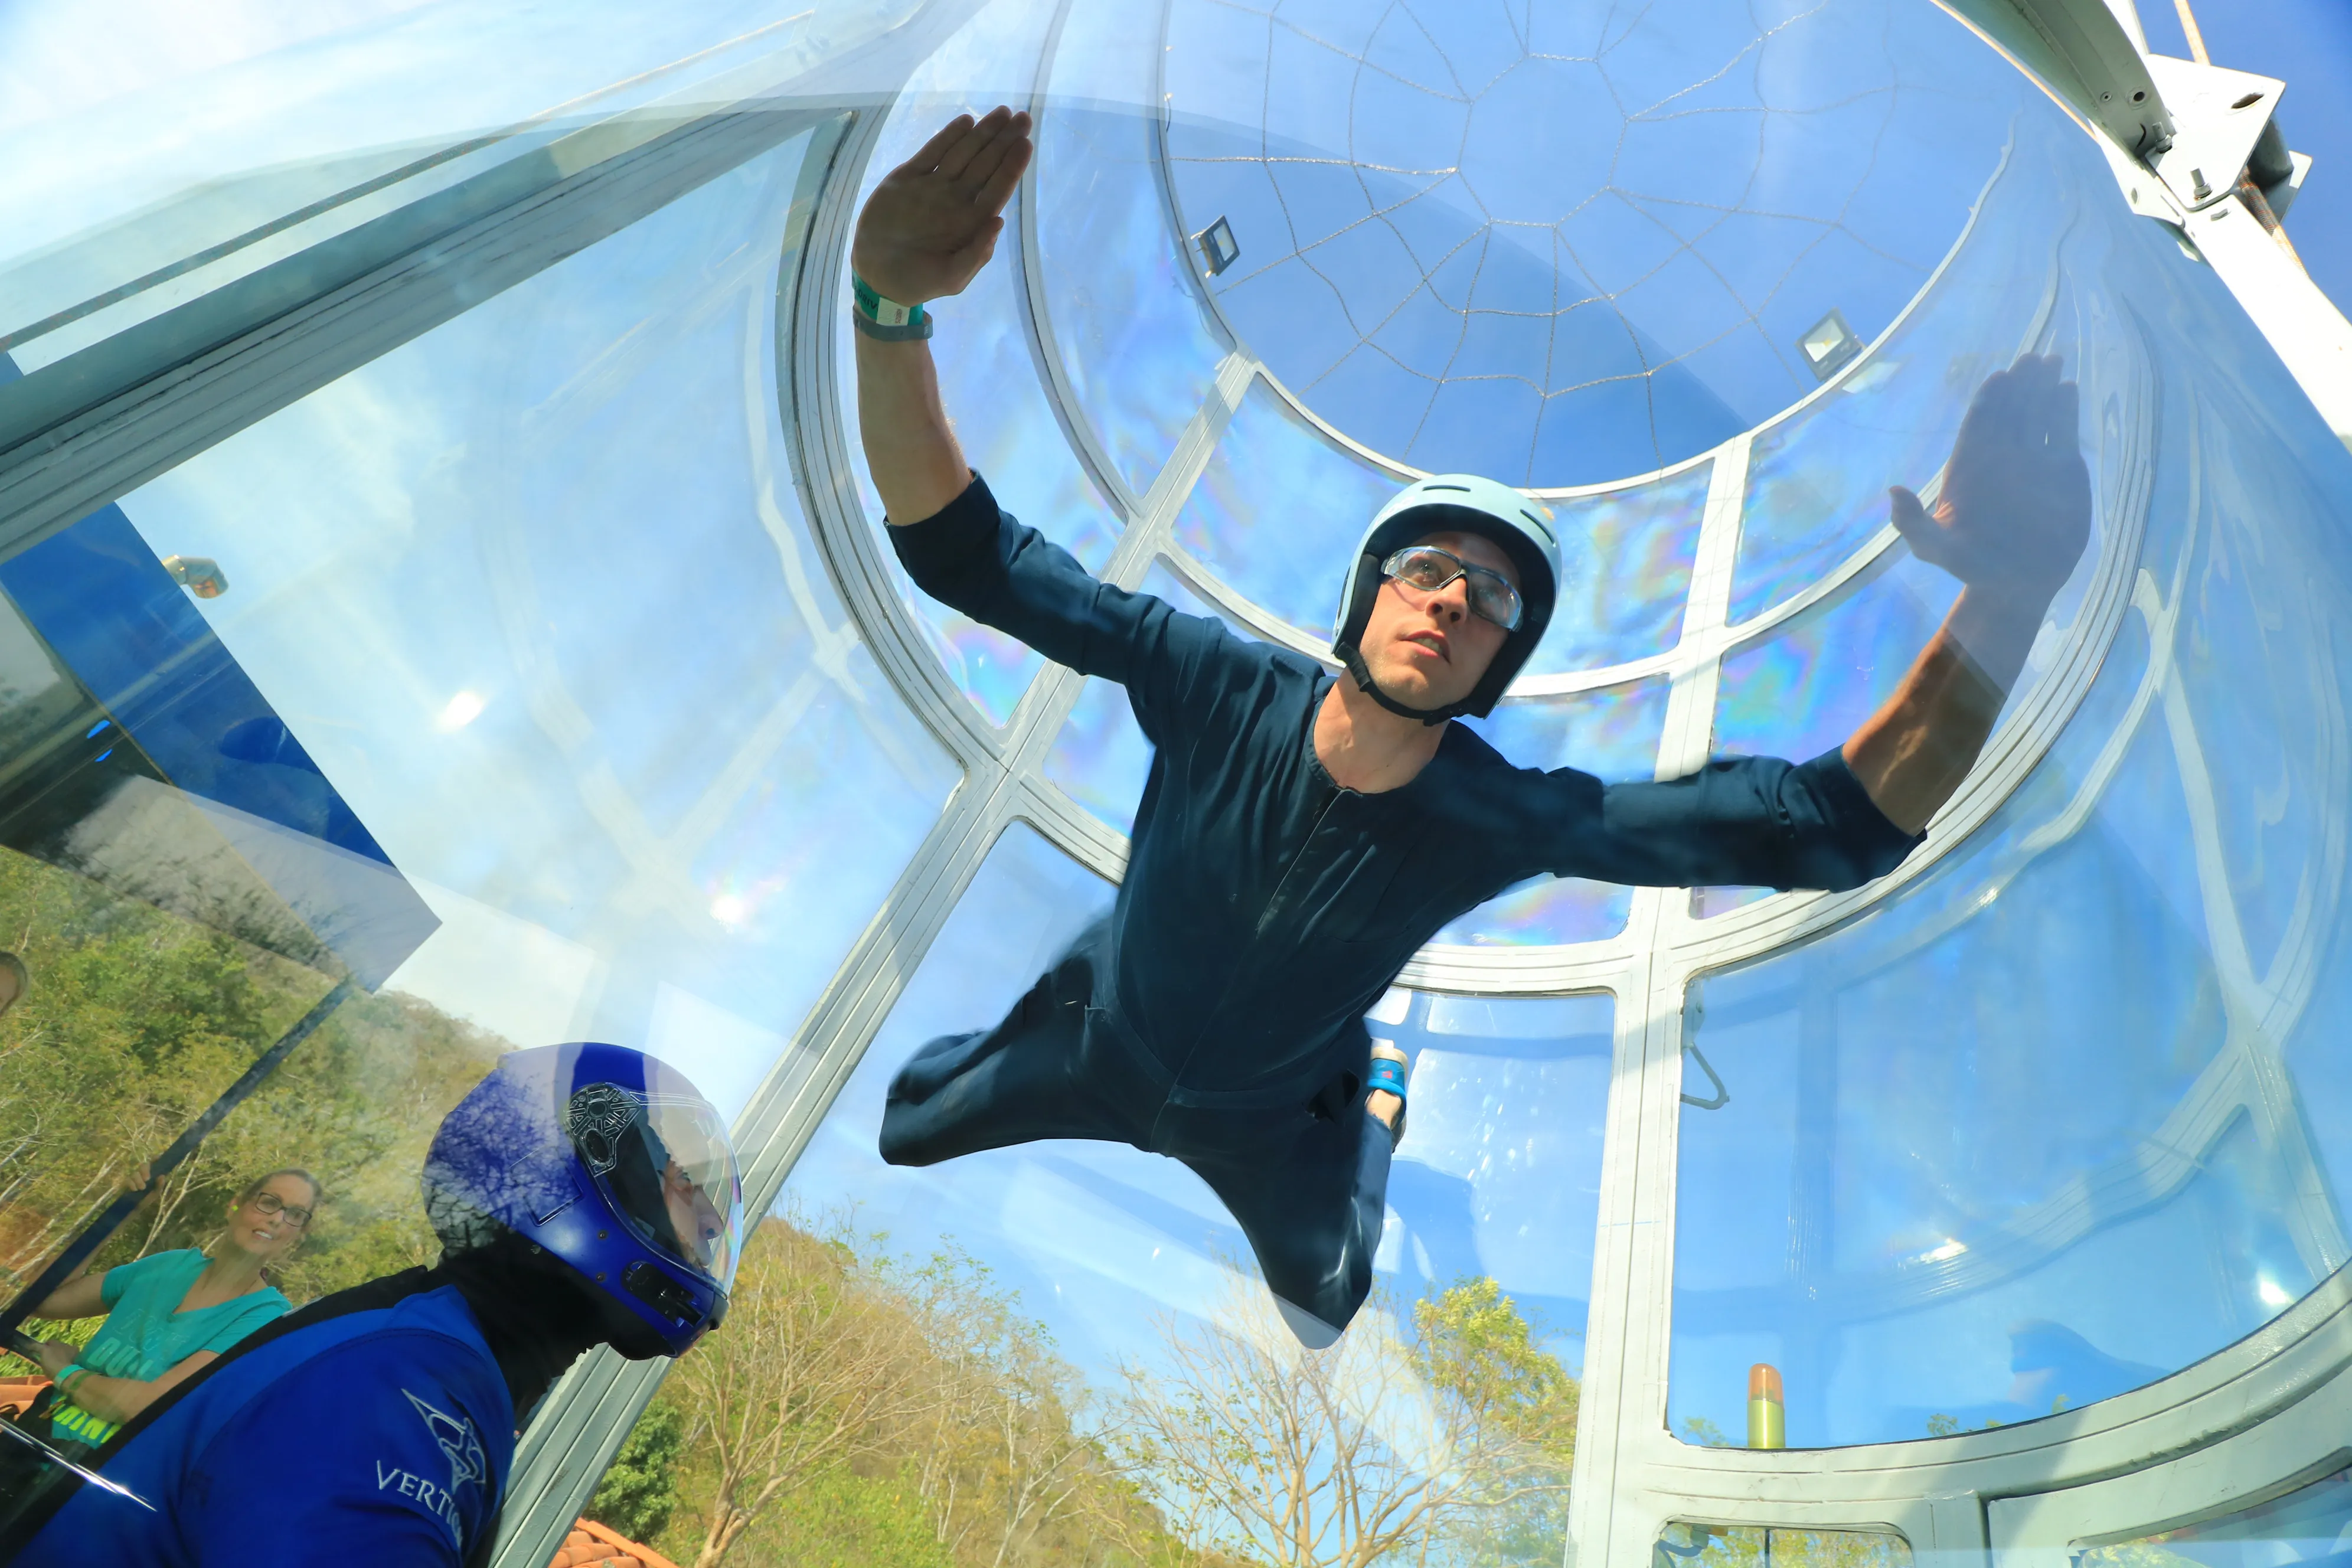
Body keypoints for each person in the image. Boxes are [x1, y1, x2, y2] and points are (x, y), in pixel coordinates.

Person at [850, 109, 2092, 1346]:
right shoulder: (1211, 679)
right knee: (907, 1125)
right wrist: (887, 309)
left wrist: (2013, 595)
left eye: (1492, 596)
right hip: (1104, 1044)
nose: (1451, 596)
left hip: (1271, 1110)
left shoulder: (1498, 812)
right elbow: (974, 559)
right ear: (1366, 595)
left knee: (1327, 1304)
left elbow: (1838, 823)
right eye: (1427, 565)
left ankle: (1369, 1108)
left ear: (1499, 659)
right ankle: (1092, 963)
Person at [3, 1043, 742, 1566]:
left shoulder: (437, 1352)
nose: (710, 1221)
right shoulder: (401, 1388)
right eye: (680, 1183)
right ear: (584, 1193)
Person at [14, 1170, 314, 1456]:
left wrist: (66, 1374)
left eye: (295, 1215)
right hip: (33, 1437)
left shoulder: (266, 1317)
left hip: (98, 1477)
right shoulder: (168, 1266)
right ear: (234, 1206)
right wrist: (123, 1211)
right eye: (269, 1202)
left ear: (297, 1238)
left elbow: (151, 1405)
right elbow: (46, 1301)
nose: (277, 1219)